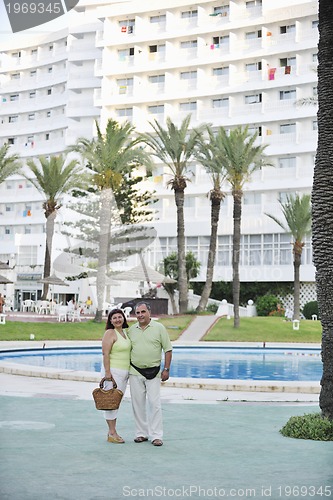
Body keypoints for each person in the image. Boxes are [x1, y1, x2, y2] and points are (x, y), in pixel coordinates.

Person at [128, 301, 172, 447]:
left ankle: (156, 436)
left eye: (143, 312)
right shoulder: (131, 330)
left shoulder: (159, 328)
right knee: (137, 404)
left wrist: (166, 369)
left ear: (149, 312)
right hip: (135, 371)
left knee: (155, 403)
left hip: (154, 371)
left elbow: (168, 349)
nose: (140, 315)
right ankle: (141, 433)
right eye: (138, 313)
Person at [101, 308, 131, 443]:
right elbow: (105, 354)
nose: (118, 320)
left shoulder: (125, 333)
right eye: (114, 318)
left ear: (123, 318)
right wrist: (108, 374)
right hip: (112, 372)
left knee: (116, 402)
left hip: (124, 373)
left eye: (120, 317)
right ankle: (112, 433)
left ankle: (112, 432)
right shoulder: (110, 333)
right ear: (110, 321)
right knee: (110, 402)